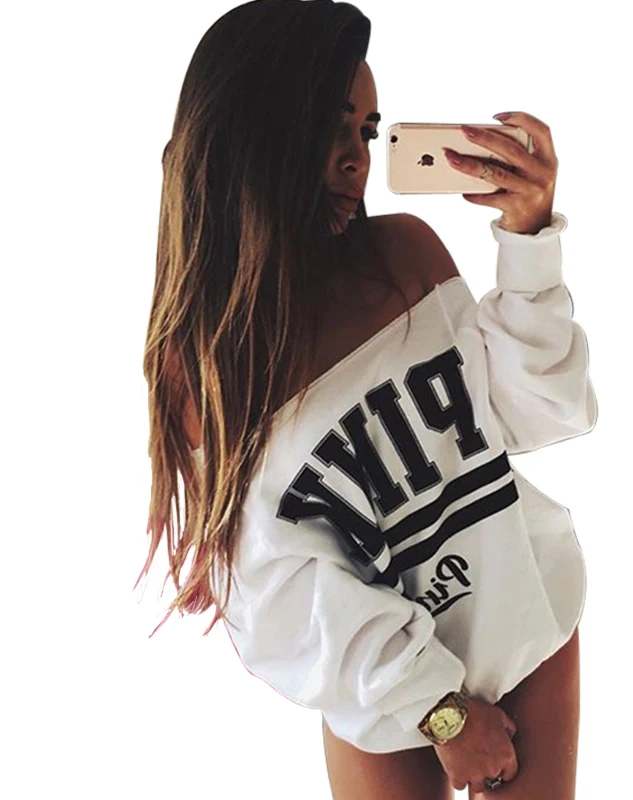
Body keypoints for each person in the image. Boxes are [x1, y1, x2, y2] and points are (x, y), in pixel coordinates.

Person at [140, 2, 596, 798]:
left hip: (524, 622)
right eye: (330, 127)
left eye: (368, 131)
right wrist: (441, 711)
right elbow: (281, 594)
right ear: (256, 133)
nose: (357, 158)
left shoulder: (403, 253)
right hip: (384, 694)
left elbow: (535, 412)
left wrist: (528, 244)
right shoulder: (208, 367)